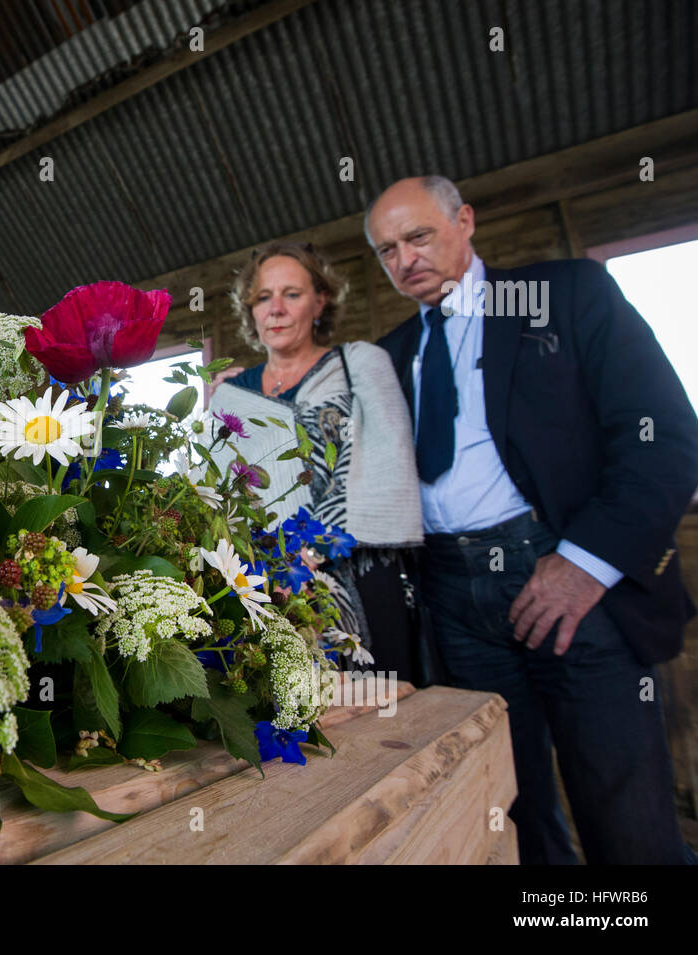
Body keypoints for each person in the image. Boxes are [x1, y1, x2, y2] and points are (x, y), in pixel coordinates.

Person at [368, 174, 698, 865]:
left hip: (566, 576)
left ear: (466, 220)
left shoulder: (566, 294)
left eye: (419, 235)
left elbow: (664, 433)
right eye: (387, 249)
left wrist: (586, 561)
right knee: (506, 806)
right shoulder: (391, 354)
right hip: (451, 598)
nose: (405, 259)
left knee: (624, 811)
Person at [208, 241, 428, 681]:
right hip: (264, 582)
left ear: (320, 301)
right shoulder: (231, 394)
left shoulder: (360, 364)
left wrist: (312, 553)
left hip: (359, 568)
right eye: (263, 297)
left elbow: (391, 463)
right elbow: (215, 486)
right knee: (291, 709)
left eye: (292, 294)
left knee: (379, 708)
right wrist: (262, 568)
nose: (277, 309)